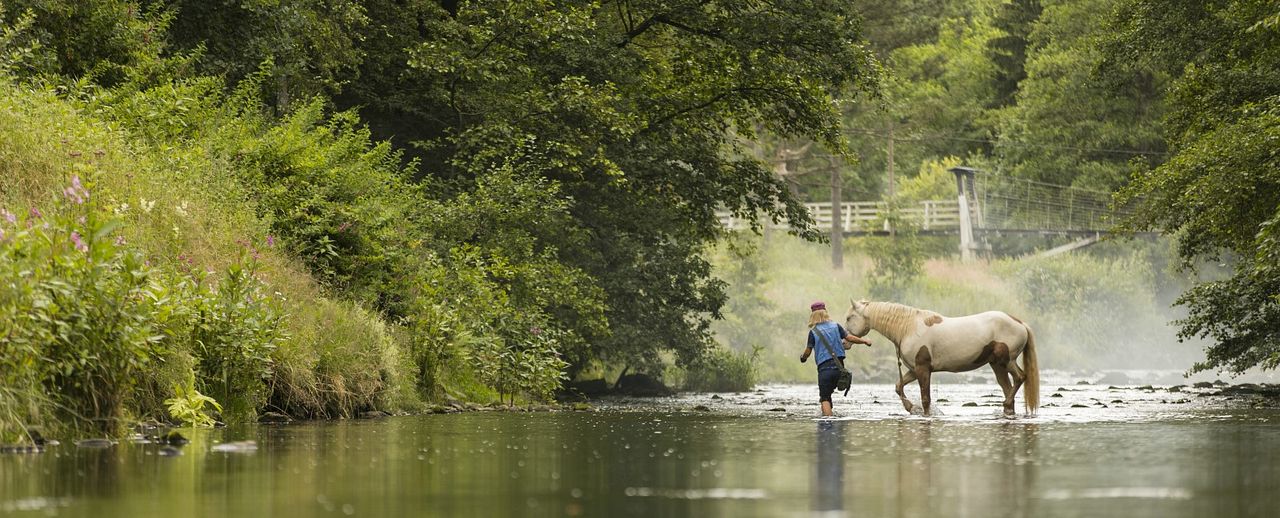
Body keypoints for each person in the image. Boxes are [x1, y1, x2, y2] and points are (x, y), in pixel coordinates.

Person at [800, 301, 872, 416]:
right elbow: (849, 338)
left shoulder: (813, 332)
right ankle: (832, 419)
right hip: (839, 369)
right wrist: (864, 341)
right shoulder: (835, 326)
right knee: (829, 393)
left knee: (825, 398)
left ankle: (828, 422)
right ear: (825, 313)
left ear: (813, 316)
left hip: (824, 370)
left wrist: (802, 357)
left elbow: (807, 352)